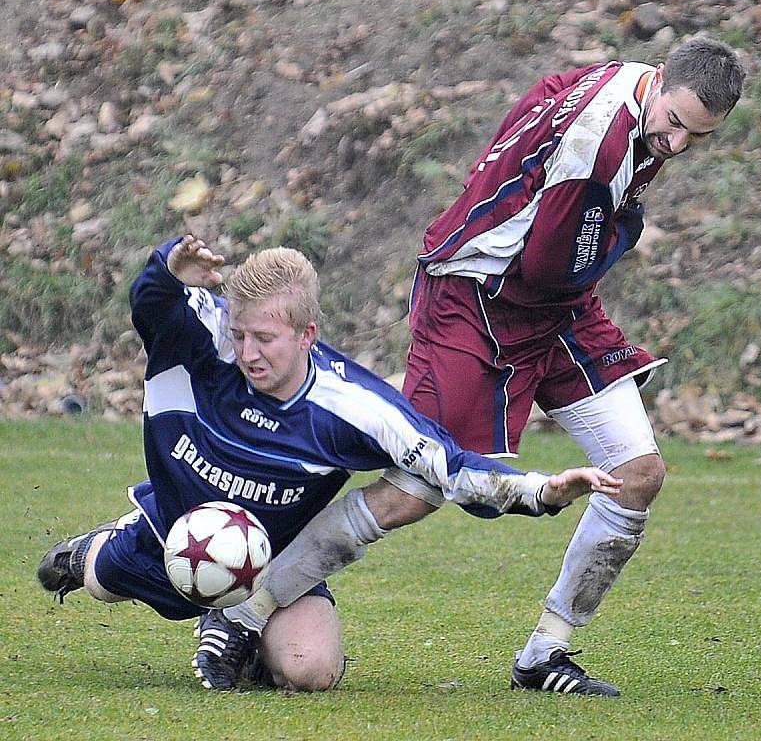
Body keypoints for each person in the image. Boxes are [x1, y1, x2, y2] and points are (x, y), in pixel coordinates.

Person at [204, 36, 745, 697]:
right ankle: (240, 612)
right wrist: (620, 228)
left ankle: (543, 654)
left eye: (700, 135)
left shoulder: (633, 86)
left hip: (555, 308)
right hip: (476, 300)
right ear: (658, 83)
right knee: (417, 488)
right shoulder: (598, 154)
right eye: (677, 123)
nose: (680, 143)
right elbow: (552, 262)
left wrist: (509, 189)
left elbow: (544, 92)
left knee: (637, 475)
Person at [38, 234, 622, 692]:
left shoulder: (351, 407)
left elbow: (449, 466)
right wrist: (167, 266)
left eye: (265, 338)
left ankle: (245, 633)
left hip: (274, 568)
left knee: (310, 672)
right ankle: (96, 547)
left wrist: (542, 490)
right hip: (172, 534)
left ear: (307, 333)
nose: (247, 353)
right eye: (240, 334)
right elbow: (151, 303)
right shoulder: (202, 339)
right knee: (99, 584)